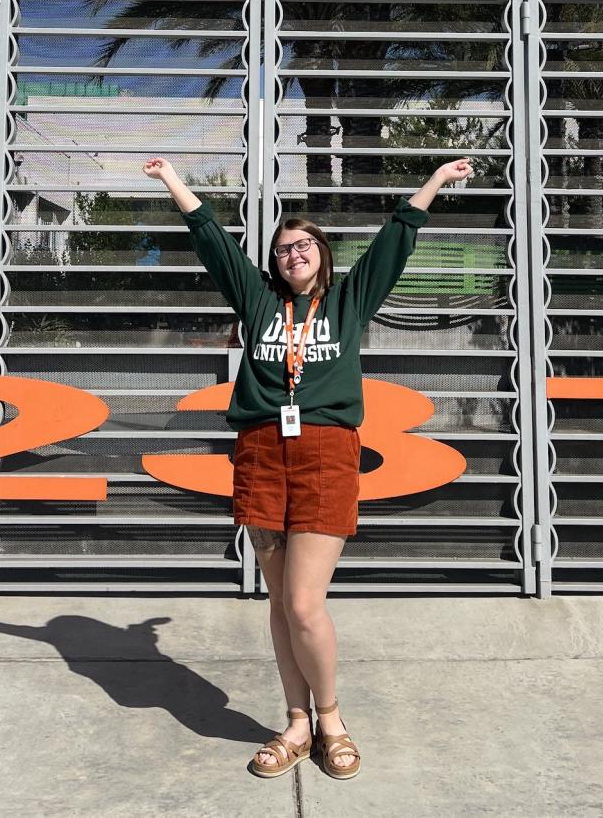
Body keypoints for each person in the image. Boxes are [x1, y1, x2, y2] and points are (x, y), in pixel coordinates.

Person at [142, 154, 474, 780]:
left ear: (321, 253)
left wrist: (434, 182)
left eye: (302, 246)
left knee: (302, 603)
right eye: (283, 249)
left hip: (325, 455)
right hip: (262, 454)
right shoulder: (259, 300)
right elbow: (213, 242)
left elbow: (393, 244)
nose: (292, 255)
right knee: (278, 603)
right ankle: (295, 723)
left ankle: (332, 719)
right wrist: (172, 181)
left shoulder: (349, 302)